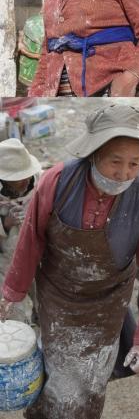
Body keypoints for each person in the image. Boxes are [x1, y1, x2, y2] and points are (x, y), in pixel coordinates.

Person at [0, 104, 139, 418]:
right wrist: (12, 292)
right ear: (93, 153)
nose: (124, 173)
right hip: (57, 297)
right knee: (59, 370)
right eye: (115, 162)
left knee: (90, 382)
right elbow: (30, 239)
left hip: (107, 306)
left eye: (134, 164)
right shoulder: (57, 181)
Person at [0, 138, 41, 323]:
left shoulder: (41, 181)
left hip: (38, 251)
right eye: (16, 180)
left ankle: (40, 318)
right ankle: (21, 328)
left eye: (25, 177)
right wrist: (5, 224)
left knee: (41, 293)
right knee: (12, 307)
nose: (24, 182)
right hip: (7, 257)